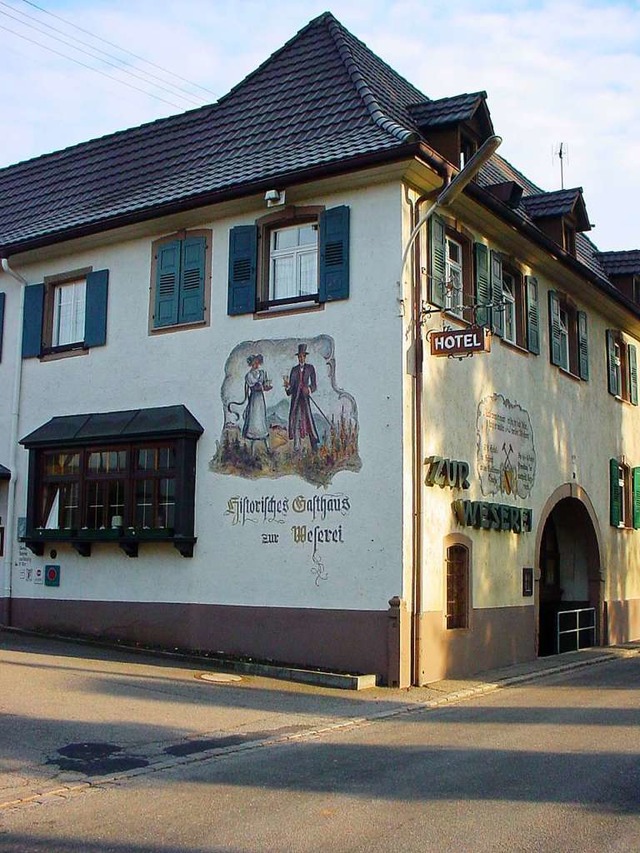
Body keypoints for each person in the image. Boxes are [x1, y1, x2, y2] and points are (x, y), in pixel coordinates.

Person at [284, 343, 319, 452]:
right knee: (296, 423)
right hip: (296, 402)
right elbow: (290, 392)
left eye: (303, 356)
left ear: (305, 356)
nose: (301, 358)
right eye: (299, 356)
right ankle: (297, 449)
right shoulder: (294, 370)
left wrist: (308, 389)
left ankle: (315, 449)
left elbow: (314, 386)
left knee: (309, 423)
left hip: (305, 401)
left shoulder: (310, 368)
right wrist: (287, 387)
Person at [241, 354, 271, 454]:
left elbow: (265, 383)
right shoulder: (249, 375)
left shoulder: (262, 373)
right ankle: (251, 451)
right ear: (251, 364)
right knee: (254, 420)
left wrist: (266, 386)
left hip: (260, 400)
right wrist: (262, 387)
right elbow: (254, 387)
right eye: (254, 363)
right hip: (254, 400)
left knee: (261, 420)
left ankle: (267, 448)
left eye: (257, 362)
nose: (256, 364)